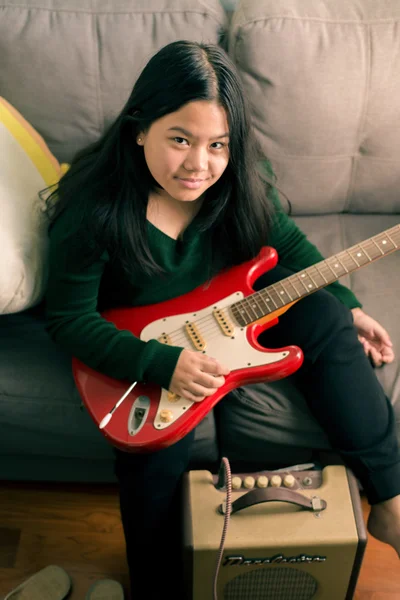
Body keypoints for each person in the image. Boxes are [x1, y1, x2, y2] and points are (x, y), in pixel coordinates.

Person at [44, 40, 400, 599]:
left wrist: (352, 308)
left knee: (326, 315)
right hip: (147, 348)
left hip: (231, 315)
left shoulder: (238, 180)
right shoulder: (93, 210)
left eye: (218, 146)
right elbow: (67, 319)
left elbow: (285, 241)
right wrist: (160, 363)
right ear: (139, 128)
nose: (199, 165)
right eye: (180, 140)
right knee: (153, 458)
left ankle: (392, 502)